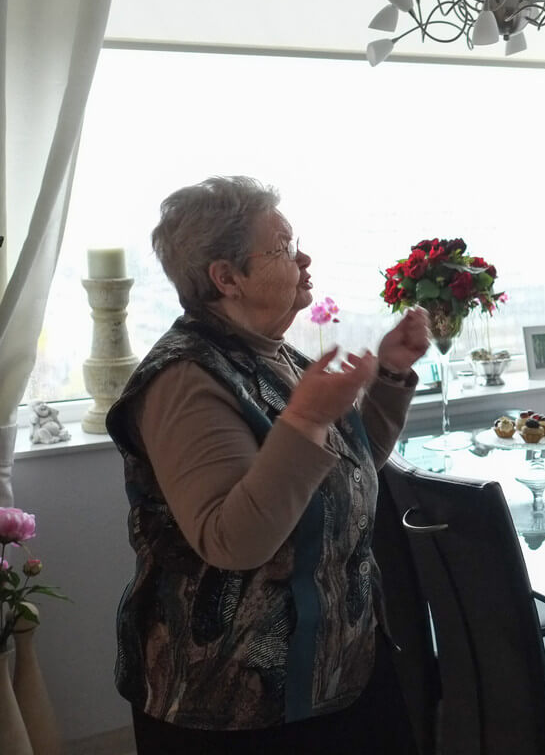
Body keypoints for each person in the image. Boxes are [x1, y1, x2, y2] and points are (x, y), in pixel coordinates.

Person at [106, 176, 431, 754]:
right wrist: (305, 421)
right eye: (282, 248)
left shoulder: (272, 353)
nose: (303, 257)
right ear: (226, 277)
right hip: (234, 708)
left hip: (337, 674)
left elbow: (343, 474)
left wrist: (389, 376)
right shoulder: (185, 380)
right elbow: (234, 540)